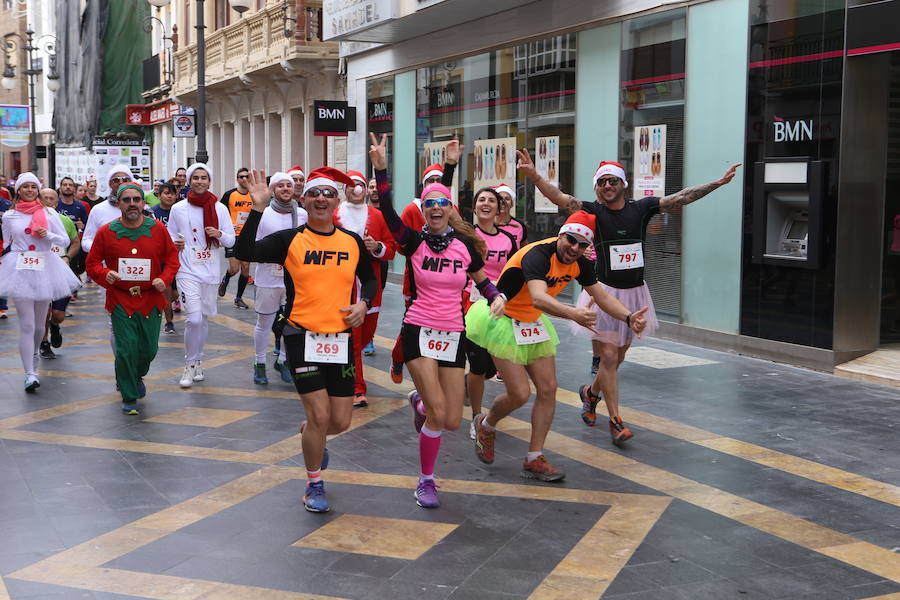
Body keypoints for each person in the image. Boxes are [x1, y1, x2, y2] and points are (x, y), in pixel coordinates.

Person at [516, 151, 739, 446]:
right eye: (602, 182)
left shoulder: (642, 208)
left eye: (613, 181)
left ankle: (591, 393)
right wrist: (534, 176)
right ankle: (616, 420)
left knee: (617, 359)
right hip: (604, 292)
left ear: (623, 184)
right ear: (597, 186)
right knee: (607, 356)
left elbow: (680, 198)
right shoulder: (594, 210)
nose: (607, 186)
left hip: (635, 293)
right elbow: (560, 198)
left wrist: (717, 184)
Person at [370, 133, 506, 508]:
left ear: (450, 209)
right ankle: (426, 480)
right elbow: (387, 211)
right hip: (419, 330)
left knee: (448, 421)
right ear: (423, 209)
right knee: (439, 411)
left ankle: (420, 402)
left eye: (441, 204)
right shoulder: (413, 241)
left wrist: (497, 298)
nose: (435, 209)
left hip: (453, 334)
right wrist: (381, 169)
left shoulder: (465, 246)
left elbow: (484, 282)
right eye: (428, 204)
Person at [235, 166, 376, 514]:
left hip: (339, 338)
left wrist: (364, 302)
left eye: (328, 193)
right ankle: (314, 483)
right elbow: (244, 251)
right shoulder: (290, 240)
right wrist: (256, 207)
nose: (321, 199)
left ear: (336, 200)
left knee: (339, 421)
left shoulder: (351, 241)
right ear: (304, 199)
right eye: (314, 193)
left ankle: (311, 432)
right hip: (301, 335)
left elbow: (370, 280)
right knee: (320, 414)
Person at [467, 211, 648, 481]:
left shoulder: (580, 262)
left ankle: (534, 458)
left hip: (532, 324)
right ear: (561, 235)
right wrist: (572, 313)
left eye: (582, 244)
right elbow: (539, 297)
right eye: (571, 241)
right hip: (503, 320)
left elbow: (599, 295)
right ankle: (487, 424)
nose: (574, 248)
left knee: (548, 389)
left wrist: (628, 316)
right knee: (518, 394)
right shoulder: (538, 255)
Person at [85, 183, 180, 414]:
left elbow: (172, 259)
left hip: (150, 299)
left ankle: (136, 375)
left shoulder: (157, 229)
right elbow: (92, 264)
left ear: (143, 202)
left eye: (136, 199)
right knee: (126, 349)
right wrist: (106, 274)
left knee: (148, 350)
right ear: (119, 204)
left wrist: (164, 278)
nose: (132, 204)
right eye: (126, 200)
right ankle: (129, 396)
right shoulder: (106, 232)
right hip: (120, 299)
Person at [0, 173, 81, 391]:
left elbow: (64, 240)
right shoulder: (10, 216)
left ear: (37, 189)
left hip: (45, 267)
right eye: (24, 186)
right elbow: (7, 241)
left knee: (38, 326)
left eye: (32, 187)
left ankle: (35, 353)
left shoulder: (48, 213)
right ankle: (30, 372)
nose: (29, 190)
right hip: (20, 267)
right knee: (26, 325)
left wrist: (48, 236)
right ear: (18, 190)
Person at [389, 148, 461, 384]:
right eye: (430, 180)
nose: (435, 183)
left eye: (440, 180)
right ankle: (399, 357)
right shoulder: (413, 210)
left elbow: (463, 239)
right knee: (411, 326)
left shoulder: (452, 209)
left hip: (449, 279)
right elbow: (401, 246)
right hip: (417, 281)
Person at [167, 162, 236, 388]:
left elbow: (231, 240)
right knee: (193, 318)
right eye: (195, 177)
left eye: (203, 177)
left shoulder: (219, 208)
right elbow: (168, 237)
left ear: (209, 181)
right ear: (188, 181)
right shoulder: (178, 209)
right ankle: (188, 364)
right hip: (187, 269)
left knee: (203, 319)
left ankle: (198, 360)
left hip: (210, 270)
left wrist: (219, 234)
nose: (199, 181)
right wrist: (175, 245)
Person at [333, 169, 397, 407]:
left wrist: (377, 246)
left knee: (366, 336)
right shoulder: (334, 215)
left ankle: (350, 381)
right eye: (350, 185)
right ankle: (356, 387)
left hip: (371, 287)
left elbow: (391, 249)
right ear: (345, 189)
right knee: (353, 341)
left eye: (359, 184)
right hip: (343, 288)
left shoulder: (378, 217)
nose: (355, 189)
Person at [464, 187, 518, 439]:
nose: (486, 204)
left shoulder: (509, 238)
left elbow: (514, 270)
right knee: (478, 366)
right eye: (481, 200)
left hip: (499, 306)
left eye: (492, 201)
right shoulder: (465, 235)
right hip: (469, 304)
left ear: (500, 208)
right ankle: (476, 416)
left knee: (489, 369)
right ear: (474, 207)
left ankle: (465, 389)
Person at [250, 172, 307, 385]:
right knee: (264, 323)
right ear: (273, 190)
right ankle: (260, 363)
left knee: (290, 323)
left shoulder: (302, 214)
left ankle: (283, 361)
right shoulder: (263, 214)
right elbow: (253, 245)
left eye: (289, 185)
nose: (285, 189)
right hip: (268, 277)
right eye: (280, 185)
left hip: (294, 278)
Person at [37, 188, 81, 359]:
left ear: (57, 202)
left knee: (58, 314)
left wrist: (67, 257)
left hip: (59, 271)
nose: (48, 201)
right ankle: (44, 343)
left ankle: (55, 326)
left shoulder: (64, 221)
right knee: (43, 311)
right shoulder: (33, 220)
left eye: (51, 198)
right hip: (40, 270)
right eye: (44, 198)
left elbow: (75, 242)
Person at [217, 168, 253, 309]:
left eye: (247, 177)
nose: (244, 179)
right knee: (234, 268)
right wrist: (222, 233)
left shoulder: (254, 195)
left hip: (248, 236)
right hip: (233, 235)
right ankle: (225, 279)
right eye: (241, 177)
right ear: (237, 179)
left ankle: (238, 298)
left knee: (245, 267)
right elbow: (220, 212)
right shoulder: (229, 195)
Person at [82, 165, 134, 253]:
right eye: (116, 180)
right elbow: (86, 241)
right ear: (110, 184)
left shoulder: (143, 209)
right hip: (106, 264)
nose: (121, 183)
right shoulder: (98, 210)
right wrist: (104, 249)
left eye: (125, 179)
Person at [150, 182, 180, 334]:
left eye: (172, 193)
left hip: (180, 256)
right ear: (159, 195)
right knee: (167, 291)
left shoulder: (180, 212)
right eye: (166, 193)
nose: (169, 196)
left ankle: (167, 306)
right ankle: (169, 322)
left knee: (174, 294)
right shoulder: (152, 213)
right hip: (161, 258)